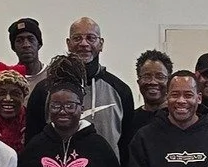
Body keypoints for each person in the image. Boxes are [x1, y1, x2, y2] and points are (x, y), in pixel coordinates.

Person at [25, 18, 135, 148]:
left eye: (91, 38)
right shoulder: (44, 90)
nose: (84, 43)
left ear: (101, 44)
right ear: (68, 44)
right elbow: (32, 144)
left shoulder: (121, 91)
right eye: (77, 38)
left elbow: (127, 146)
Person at [119, 49, 173, 155]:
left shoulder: (177, 118)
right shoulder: (129, 119)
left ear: (169, 81)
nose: (153, 82)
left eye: (160, 76)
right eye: (147, 76)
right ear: (138, 81)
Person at [0, 70, 31, 151]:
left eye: (15, 94)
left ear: (24, 97)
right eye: (1, 93)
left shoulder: (33, 123)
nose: (8, 99)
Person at [7, 17, 47, 85]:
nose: (26, 45)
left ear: (39, 44)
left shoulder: (54, 76)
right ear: (13, 47)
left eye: (31, 39)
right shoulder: (6, 80)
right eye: (19, 40)